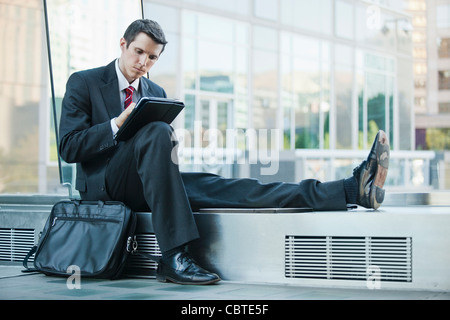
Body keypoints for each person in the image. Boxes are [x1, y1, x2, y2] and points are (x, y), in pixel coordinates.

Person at [59, 19, 390, 285]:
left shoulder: (154, 90)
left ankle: (350, 189)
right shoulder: (84, 82)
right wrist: (117, 123)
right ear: (122, 45)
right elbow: (69, 147)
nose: (144, 63)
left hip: (149, 181)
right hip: (105, 189)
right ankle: (174, 255)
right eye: (138, 52)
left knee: (238, 188)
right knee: (158, 130)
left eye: (152, 57)